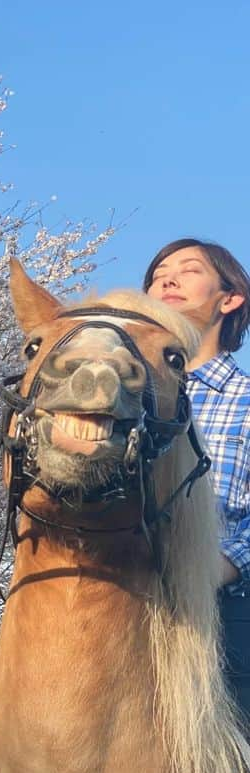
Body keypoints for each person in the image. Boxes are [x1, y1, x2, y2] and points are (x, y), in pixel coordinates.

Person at [143, 237, 250, 724]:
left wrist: (220, 565)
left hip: (219, 614)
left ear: (229, 299)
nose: (166, 278)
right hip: (114, 597)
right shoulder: (122, 395)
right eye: (158, 272)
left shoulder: (245, 401)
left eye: (188, 270)